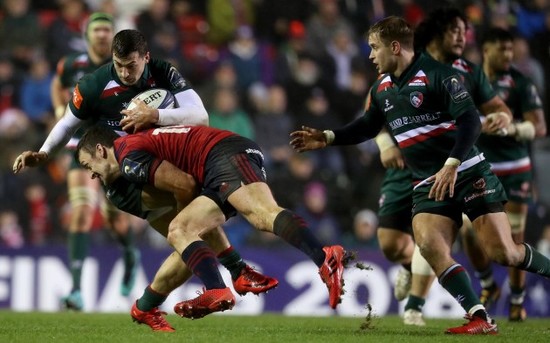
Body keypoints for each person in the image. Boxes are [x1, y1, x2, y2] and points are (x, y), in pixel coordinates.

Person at [290, 16, 550, 335]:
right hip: (428, 182)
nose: (370, 55)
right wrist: (328, 137)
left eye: (375, 48)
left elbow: (469, 121)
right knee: (428, 243)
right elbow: (369, 125)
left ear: (395, 47)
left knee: (504, 252)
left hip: (467, 172)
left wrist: (452, 163)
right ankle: (480, 316)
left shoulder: (441, 76)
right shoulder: (382, 88)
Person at [12, 28, 277, 329]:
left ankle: (166, 299)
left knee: (187, 235)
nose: (125, 72)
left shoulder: (162, 72)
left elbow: (200, 116)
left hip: (156, 155)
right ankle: (230, 274)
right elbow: (67, 124)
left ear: (146, 58)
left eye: (131, 65)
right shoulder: (95, 83)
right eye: (119, 64)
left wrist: (155, 116)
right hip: (120, 170)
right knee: (186, 226)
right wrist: (44, 153)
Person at [74, 124, 347, 320]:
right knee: (183, 231)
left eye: (88, 166)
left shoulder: (128, 158)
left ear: (100, 150)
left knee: (261, 215)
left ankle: (323, 256)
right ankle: (226, 282)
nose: (92, 176)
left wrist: (184, 214)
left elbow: (185, 183)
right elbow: (188, 234)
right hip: (218, 163)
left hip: (223, 154)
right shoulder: (133, 151)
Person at [378, 7, 514, 326]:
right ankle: (414, 267)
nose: (462, 37)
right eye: (455, 30)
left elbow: (497, 108)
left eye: (465, 31)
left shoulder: (469, 71)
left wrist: (503, 117)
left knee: (438, 235)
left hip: (453, 166)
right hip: (406, 163)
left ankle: (416, 306)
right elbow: (375, 104)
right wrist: (384, 143)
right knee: (389, 244)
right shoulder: (409, 62)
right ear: (437, 31)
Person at [49, 12, 141, 311]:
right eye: (97, 29)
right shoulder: (71, 64)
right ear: (87, 34)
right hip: (81, 149)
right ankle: (75, 290)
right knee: (81, 212)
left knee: (114, 218)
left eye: (107, 29)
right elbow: (57, 83)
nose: (102, 34)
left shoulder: (125, 66)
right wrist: (58, 111)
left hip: (115, 151)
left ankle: (129, 253)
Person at [460, 27, 546, 321]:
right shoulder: (469, 82)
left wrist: (514, 128)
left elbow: (540, 126)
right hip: (481, 168)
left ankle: (517, 302)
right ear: (486, 50)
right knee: (467, 231)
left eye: (512, 49)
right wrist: (482, 124)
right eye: (503, 49)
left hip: (515, 170)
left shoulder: (521, 83)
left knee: (515, 237)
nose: (509, 55)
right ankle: (488, 284)